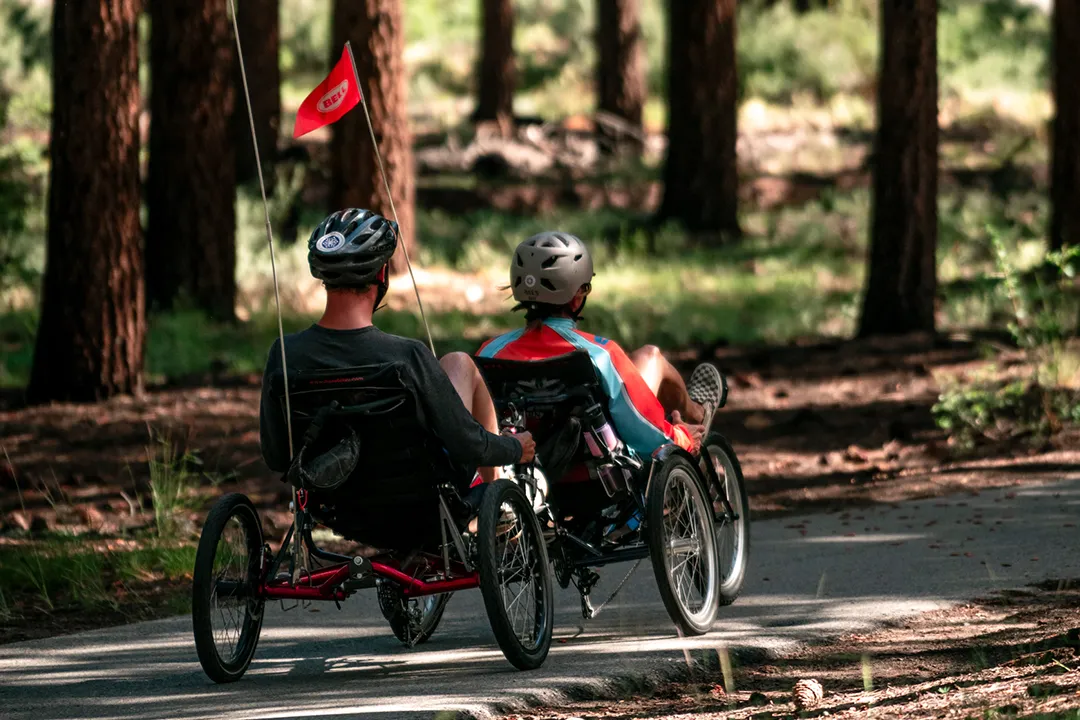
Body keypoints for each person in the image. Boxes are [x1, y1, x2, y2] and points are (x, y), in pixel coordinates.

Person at [259, 208, 535, 488]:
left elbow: (277, 456)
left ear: (323, 276)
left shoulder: (284, 354)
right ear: (381, 273)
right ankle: (496, 494)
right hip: (413, 496)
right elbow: (465, 443)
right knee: (460, 363)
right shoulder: (407, 357)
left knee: (457, 362)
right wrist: (514, 447)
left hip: (330, 498)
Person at [477, 231, 725, 460]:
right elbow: (642, 427)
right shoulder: (599, 354)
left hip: (523, 473)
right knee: (651, 356)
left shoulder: (488, 353)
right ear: (576, 299)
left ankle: (696, 413)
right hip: (600, 473)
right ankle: (697, 415)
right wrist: (681, 437)